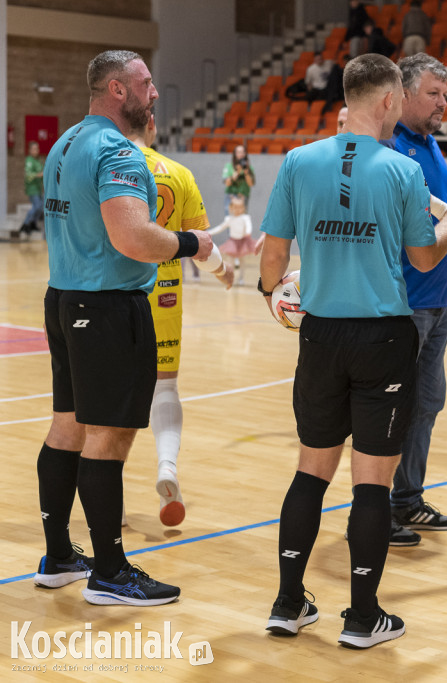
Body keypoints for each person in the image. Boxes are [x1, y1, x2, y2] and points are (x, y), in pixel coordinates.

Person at [259, 53, 447, 644]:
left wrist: (271, 297)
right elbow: (425, 257)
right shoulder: (402, 170)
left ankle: (287, 603)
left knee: (310, 473)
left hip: (320, 336)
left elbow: (274, 258)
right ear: (389, 101)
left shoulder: (297, 161)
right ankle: (362, 617)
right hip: (382, 336)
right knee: (370, 486)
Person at [32, 49, 213, 604]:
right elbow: (133, 238)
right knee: (107, 439)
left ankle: (59, 555)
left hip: (64, 298)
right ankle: (109, 572)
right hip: (108, 307)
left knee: (67, 427)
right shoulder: (117, 151)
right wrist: (190, 244)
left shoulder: (64, 143)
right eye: (146, 83)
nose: (155, 92)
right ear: (117, 90)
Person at [124, 114, 234, 528]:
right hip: (164, 297)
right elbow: (202, 248)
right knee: (164, 387)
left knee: (110, 401)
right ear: (153, 124)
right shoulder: (180, 174)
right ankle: (167, 465)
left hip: (117, 296)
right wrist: (225, 273)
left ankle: (109, 503)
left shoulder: (110, 165)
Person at [383, 53, 447, 545]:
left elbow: (437, 224)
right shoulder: (392, 148)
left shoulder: (429, 145)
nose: (444, 101)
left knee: (427, 403)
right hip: (404, 303)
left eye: (446, 92)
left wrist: (446, 283)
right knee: (395, 408)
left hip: (434, 302)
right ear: (404, 93)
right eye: (434, 93)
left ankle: (406, 499)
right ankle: (378, 508)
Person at [18, 140, 45, 237]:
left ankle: (33, 223)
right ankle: (25, 224)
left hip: (38, 188)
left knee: (41, 207)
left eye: (37, 148)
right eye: (34, 149)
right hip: (32, 188)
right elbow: (28, 175)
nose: (36, 150)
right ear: (30, 150)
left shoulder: (38, 161)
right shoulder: (29, 161)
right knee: (37, 206)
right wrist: (39, 174)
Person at [222, 144, 254, 214]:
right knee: (229, 219)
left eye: (243, 152)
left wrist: (246, 173)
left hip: (243, 197)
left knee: (242, 220)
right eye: (239, 152)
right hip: (231, 196)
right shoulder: (229, 166)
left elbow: (251, 184)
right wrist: (237, 172)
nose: (241, 154)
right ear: (235, 154)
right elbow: (227, 183)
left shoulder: (249, 168)